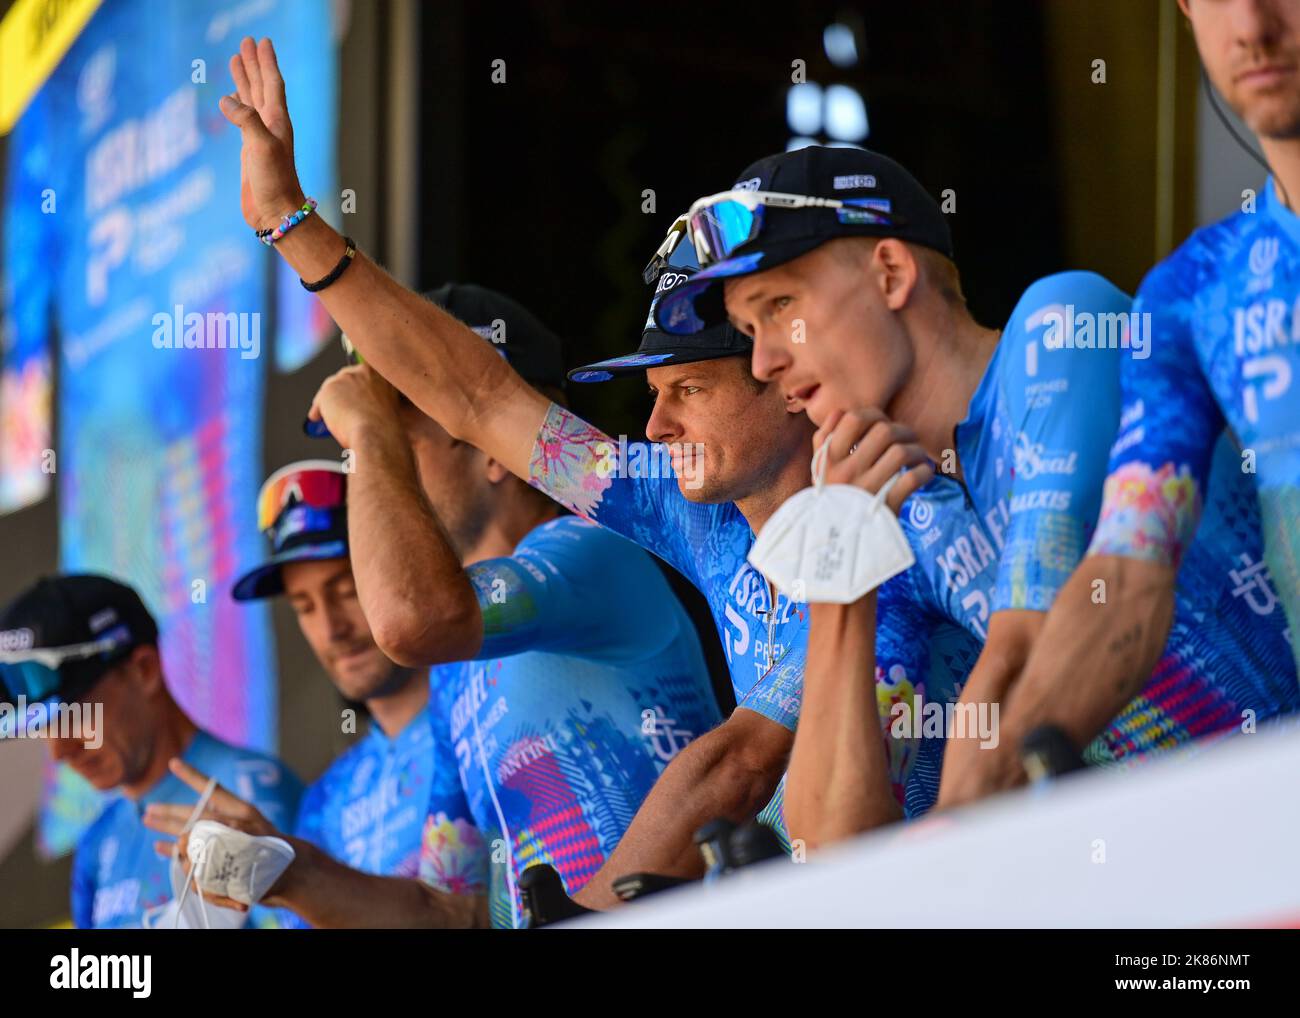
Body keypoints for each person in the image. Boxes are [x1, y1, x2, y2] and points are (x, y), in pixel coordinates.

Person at [208, 35, 1000, 905]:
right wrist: (289, 221)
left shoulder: (887, 507)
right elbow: (480, 397)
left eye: (689, 389)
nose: (656, 426)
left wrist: (588, 914)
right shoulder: (694, 514)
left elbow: (735, 768)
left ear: (779, 377)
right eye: (654, 394)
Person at [654, 143, 1299, 840]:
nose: (764, 360)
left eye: (781, 306)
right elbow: (830, 841)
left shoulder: (1058, 327)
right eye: (749, 331)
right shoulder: (890, 500)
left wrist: (952, 862)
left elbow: (1027, 645)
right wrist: (842, 575)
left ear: (892, 272)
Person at [146, 283, 722, 928]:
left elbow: (411, 618)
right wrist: (291, 871)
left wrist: (367, 430)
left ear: (493, 452)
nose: (377, 475)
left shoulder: (592, 552)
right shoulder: (453, 668)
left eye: (404, 443)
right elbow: (449, 913)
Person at [231, 460, 473, 927]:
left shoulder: (485, 716)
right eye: (305, 607)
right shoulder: (326, 800)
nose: (331, 629)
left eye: (346, 591)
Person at [0, 573, 302, 928]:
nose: (60, 751)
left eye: (74, 715)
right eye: (43, 727)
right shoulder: (98, 842)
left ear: (144, 670)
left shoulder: (250, 795)